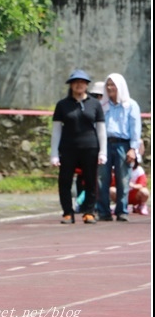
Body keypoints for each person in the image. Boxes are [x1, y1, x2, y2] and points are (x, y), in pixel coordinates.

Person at [50, 69, 106, 224]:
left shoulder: (95, 104)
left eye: (82, 82)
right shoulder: (62, 105)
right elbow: (56, 130)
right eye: (76, 82)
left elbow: (101, 129)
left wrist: (103, 152)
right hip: (68, 148)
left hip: (90, 148)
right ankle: (68, 212)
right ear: (71, 85)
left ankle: (89, 212)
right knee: (65, 181)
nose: (79, 85)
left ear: (87, 85)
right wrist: (54, 153)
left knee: (90, 181)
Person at [97, 73, 142, 222]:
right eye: (108, 84)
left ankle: (122, 210)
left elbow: (135, 128)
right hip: (105, 143)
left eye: (113, 84)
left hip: (124, 144)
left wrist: (133, 149)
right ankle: (103, 211)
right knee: (102, 178)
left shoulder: (131, 105)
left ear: (120, 86)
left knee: (123, 179)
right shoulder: (102, 105)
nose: (110, 87)